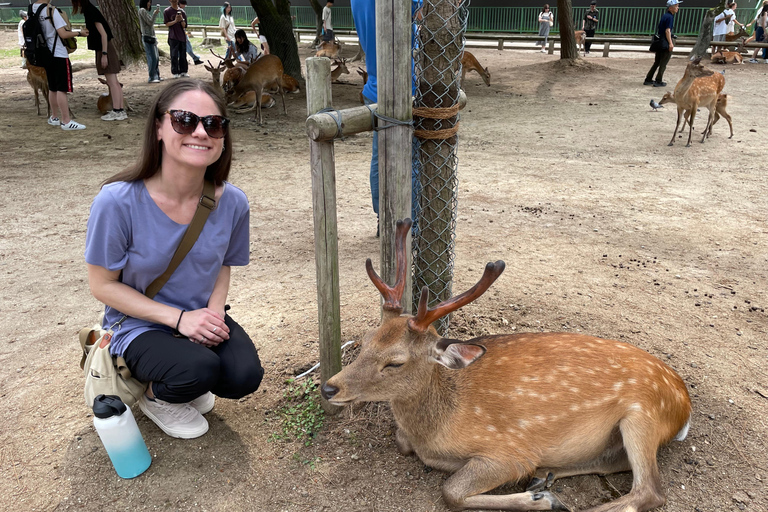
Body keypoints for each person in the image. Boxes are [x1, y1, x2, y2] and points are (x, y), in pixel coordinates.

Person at [84, 79, 264, 440]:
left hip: (198, 314)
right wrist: (180, 320)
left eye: (214, 124)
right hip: (139, 325)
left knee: (243, 375)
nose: (201, 132)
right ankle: (156, 395)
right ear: (159, 128)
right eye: (184, 120)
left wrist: (213, 315)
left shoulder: (233, 202)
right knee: (198, 369)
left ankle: (181, 376)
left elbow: (223, 263)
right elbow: (102, 286)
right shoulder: (116, 202)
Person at [351, 0, 421, 236]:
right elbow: (424, 14)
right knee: (412, 156)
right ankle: (411, 222)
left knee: (380, 155)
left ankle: (384, 217)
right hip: (404, 86)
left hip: (375, 86)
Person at [31, 0, 87, 130]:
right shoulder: (51, 10)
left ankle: (54, 117)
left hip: (45, 54)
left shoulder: (32, 8)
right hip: (58, 53)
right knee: (62, 89)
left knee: (53, 87)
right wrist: (80, 33)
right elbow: (63, 33)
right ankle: (66, 121)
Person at [72, 0, 126, 121]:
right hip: (104, 48)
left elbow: (104, 34)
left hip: (104, 49)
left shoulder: (90, 11)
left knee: (112, 83)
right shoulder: (90, 10)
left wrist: (104, 54)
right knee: (114, 83)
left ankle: (117, 111)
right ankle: (120, 110)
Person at [644, 0, 680, 87]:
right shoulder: (670, 17)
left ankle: (648, 79)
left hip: (660, 41)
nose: (677, 8)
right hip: (665, 42)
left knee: (657, 62)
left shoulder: (665, 15)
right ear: (670, 8)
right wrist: (670, 43)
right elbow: (667, 31)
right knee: (663, 62)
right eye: (676, 6)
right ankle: (658, 80)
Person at [139, 0, 162, 83]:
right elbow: (150, 22)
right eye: (148, 2)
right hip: (147, 37)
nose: (149, 4)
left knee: (156, 57)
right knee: (152, 58)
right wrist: (155, 14)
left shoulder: (144, 11)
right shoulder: (142, 10)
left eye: (150, 2)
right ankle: (152, 77)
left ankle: (157, 76)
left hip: (151, 37)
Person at [165, 0, 189, 78]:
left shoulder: (182, 12)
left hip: (182, 36)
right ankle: (175, 72)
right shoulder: (167, 11)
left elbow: (184, 26)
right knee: (174, 55)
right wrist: (175, 21)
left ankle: (183, 71)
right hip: (173, 36)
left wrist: (181, 19)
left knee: (183, 55)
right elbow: (167, 24)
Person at [178, 0, 204, 65]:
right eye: (183, 4)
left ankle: (195, 59)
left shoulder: (181, 11)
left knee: (186, 47)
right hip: (181, 33)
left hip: (181, 32)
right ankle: (195, 58)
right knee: (187, 47)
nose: (184, 6)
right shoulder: (180, 12)